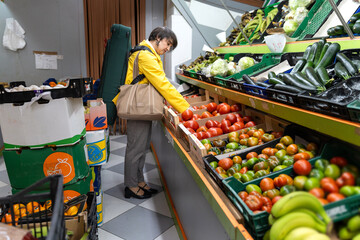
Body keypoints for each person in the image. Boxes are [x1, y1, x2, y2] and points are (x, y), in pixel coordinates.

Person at [121, 27, 190, 199]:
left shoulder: (151, 54)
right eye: (168, 43)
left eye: (170, 46)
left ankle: (139, 181)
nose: (168, 49)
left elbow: (162, 79)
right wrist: (185, 108)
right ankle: (130, 185)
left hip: (143, 106)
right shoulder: (145, 55)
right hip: (138, 106)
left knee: (142, 146)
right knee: (135, 147)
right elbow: (162, 83)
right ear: (158, 37)